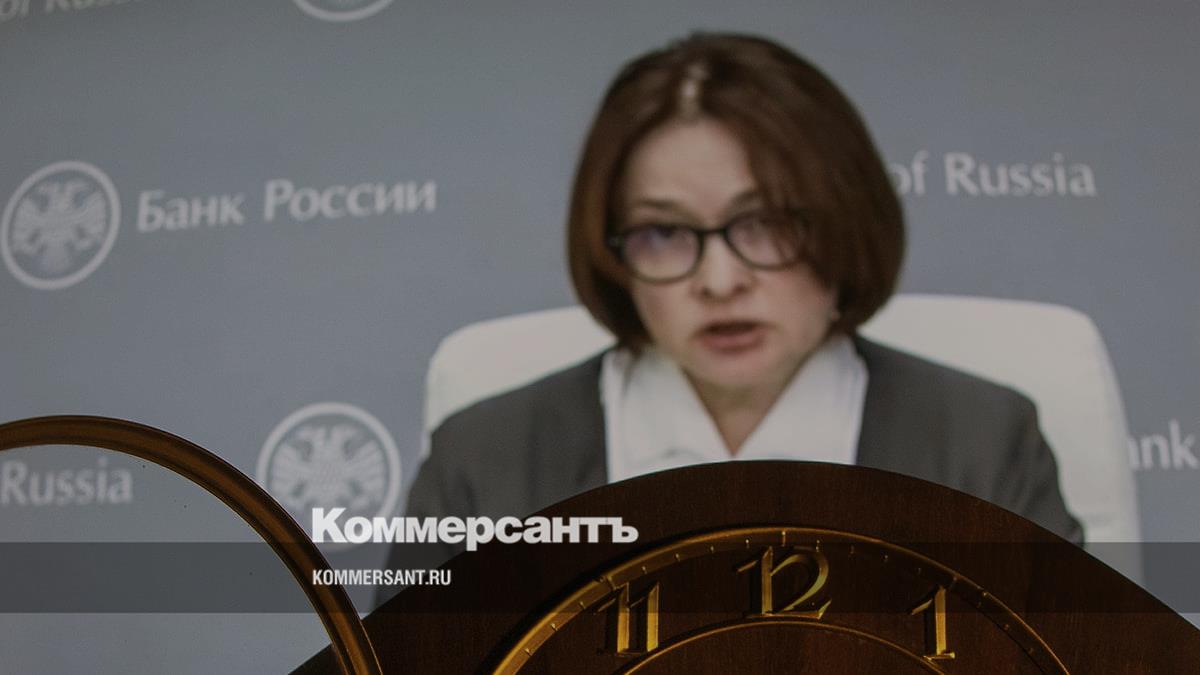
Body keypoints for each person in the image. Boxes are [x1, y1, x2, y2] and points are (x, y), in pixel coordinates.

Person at [380, 32, 1082, 603]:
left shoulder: (983, 443)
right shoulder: (484, 461)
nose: (719, 281)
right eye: (664, 233)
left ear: (846, 225)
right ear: (613, 253)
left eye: (766, 224)